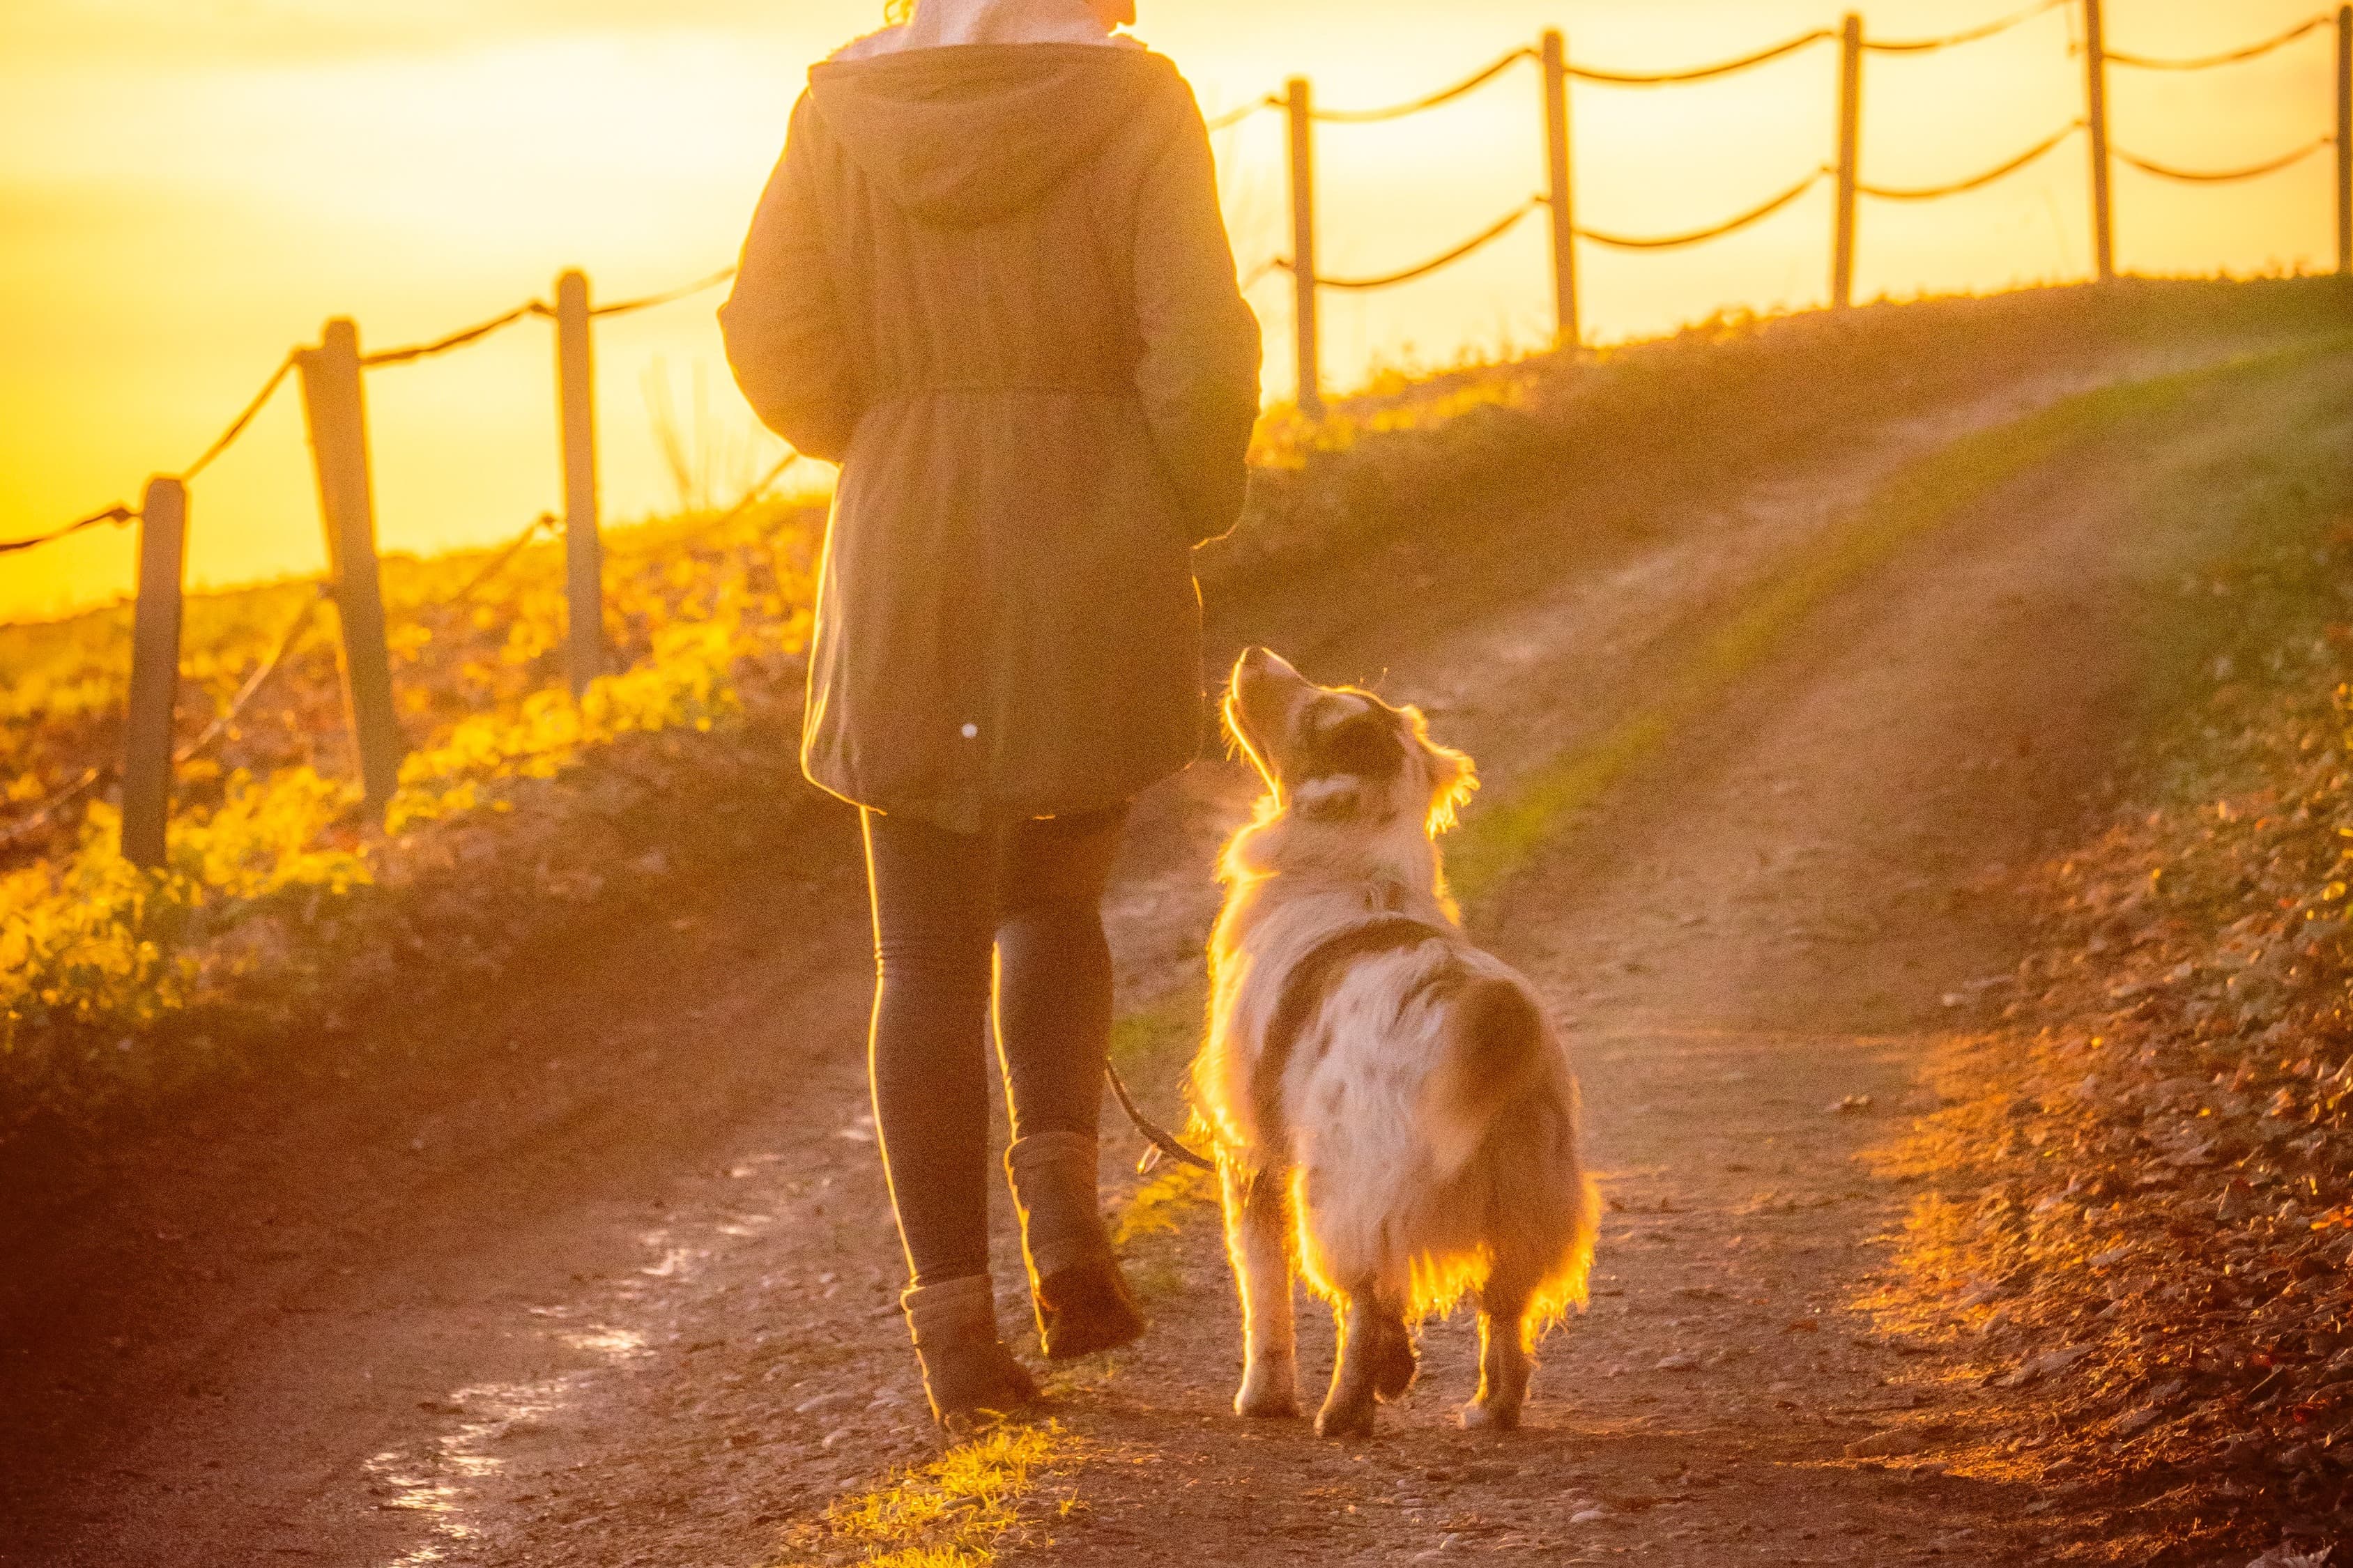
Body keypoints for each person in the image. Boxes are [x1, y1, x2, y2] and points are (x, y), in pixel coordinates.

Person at [719, 0, 1262, 1431]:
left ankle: (956, 1335)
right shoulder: (1135, 100)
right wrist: (1173, 504)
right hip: (1089, 541)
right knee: (1055, 902)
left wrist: (895, 431)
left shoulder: (840, 107)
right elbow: (1203, 354)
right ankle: (1066, 1223)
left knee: (923, 956)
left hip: (905, 541)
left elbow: (767, 333)